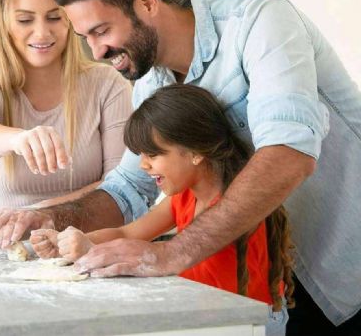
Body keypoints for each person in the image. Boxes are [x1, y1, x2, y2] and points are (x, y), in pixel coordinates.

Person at [0, 0, 361, 334]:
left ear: (146, 2)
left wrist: (171, 252)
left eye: (101, 31)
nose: (97, 51)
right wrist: (51, 217)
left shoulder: (259, 22)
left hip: (349, 259)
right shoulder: (149, 84)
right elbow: (128, 188)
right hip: (276, 280)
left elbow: (289, 153)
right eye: (85, 38)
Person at [32, 84, 295, 335]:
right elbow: (127, 234)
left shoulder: (232, 212)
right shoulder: (183, 197)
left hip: (253, 321)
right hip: (213, 315)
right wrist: (76, 243)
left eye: (153, 155)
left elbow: (208, 294)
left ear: (194, 152)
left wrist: (92, 251)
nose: (143, 166)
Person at [0, 0, 132, 247]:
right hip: (17, 254)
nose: (42, 33)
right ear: (3, 23)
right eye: (24, 20)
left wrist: (40, 213)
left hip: (95, 249)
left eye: (54, 17)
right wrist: (18, 139)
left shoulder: (107, 85)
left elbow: (122, 186)